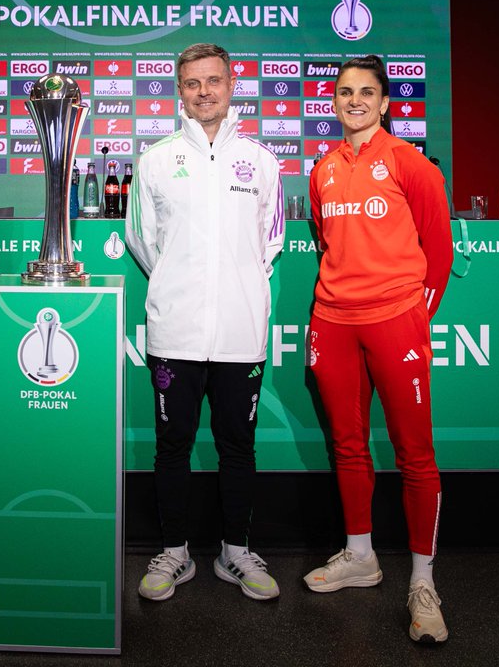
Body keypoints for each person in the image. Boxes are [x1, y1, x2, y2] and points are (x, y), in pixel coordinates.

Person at [125, 43, 285, 602]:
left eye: (213, 80)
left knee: (237, 445)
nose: (204, 92)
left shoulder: (262, 161)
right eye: (192, 83)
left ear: (231, 83)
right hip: (176, 330)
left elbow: (271, 242)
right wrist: (177, 282)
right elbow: (142, 242)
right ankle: (175, 552)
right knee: (172, 445)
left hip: (241, 334)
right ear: (179, 91)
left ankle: (235, 553)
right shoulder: (156, 158)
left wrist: (236, 289)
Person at [303, 55, 453, 644]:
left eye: (367, 92)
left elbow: (437, 254)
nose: (355, 101)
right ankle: (360, 555)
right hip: (333, 320)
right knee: (346, 443)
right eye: (344, 92)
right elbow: (325, 237)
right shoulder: (323, 169)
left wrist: (411, 315)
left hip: (395, 320)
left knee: (415, 453)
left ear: (386, 102)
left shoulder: (410, 164)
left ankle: (423, 580)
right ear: (333, 102)